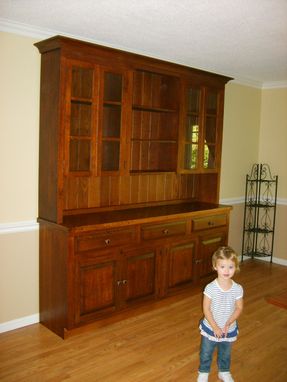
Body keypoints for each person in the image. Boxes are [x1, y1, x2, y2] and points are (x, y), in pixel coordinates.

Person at [197, 246, 243, 382]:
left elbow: (239, 308)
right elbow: (206, 309)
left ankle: (224, 371)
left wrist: (229, 323)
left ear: (236, 267)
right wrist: (215, 327)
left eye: (231, 267)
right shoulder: (210, 288)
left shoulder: (237, 288)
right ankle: (203, 371)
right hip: (211, 327)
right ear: (215, 266)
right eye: (222, 266)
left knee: (225, 352)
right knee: (206, 352)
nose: (227, 270)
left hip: (228, 328)